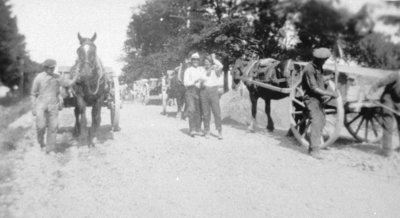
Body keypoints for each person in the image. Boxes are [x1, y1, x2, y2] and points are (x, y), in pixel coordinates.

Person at [31, 59, 79, 153]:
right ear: (45, 68)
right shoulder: (39, 78)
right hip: (41, 105)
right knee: (41, 126)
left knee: (53, 127)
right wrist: (33, 107)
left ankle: (50, 149)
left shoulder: (58, 77)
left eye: (53, 68)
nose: (52, 70)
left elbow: (67, 83)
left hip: (53, 105)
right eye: (50, 68)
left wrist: (76, 77)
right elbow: (33, 93)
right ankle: (40, 142)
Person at [301, 48, 338, 159]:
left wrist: (330, 76)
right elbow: (314, 88)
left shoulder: (318, 67)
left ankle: (312, 147)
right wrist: (330, 94)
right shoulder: (309, 69)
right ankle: (314, 150)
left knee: (322, 121)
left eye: (326, 59)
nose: (325, 61)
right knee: (316, 122)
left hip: (319, 99)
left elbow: (320, 79)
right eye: (324, 60)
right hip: (311, 99)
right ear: (318, 59)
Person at [369, 70, 400, 157]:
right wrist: (371, 92)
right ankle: (387, 151)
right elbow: (380, 82)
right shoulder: (396, 75)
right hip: (388, 99)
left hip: (398, 101)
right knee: (388, 124)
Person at [200, 54, 224, 139]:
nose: (207, 64)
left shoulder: (216, 70)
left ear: (211, 63)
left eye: (208, 63)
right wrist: (210, 68)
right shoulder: (202, 70)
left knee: (216, 112)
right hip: (204, 91)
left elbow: (221, 65)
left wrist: (214, 59)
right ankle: (207, 131)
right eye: (205, 63)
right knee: (206, 113)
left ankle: (219, 131)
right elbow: (203, 77)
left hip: (214, 91)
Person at [184, 52, 206, 137]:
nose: (195, 61)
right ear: (191, 61)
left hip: (200, 91)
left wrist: (203, 81)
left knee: (199, 110)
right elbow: (186, 83)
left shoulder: (201, 69)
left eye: (197, 60)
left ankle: (198, 129)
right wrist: (195, 81)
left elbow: (205, 78)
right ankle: (192, 129)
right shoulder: (188, 70)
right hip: (190, 91)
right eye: (194, 60)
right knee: (192, 110)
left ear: (199, 61)